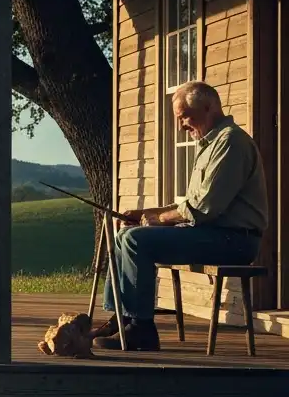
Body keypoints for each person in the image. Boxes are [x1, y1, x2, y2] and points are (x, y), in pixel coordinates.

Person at [92, 81, 268, 351]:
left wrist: (159, 220)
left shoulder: (230, 142)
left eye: (184, 116)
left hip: (235, 240)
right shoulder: (210, 144)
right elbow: (192, 203)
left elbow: (205, 207)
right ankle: (123, 318)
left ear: (209, 107)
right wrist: (145, 213)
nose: (181, 125)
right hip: (214, 233)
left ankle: (141, 330)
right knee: (124, 235)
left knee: (137, 241)